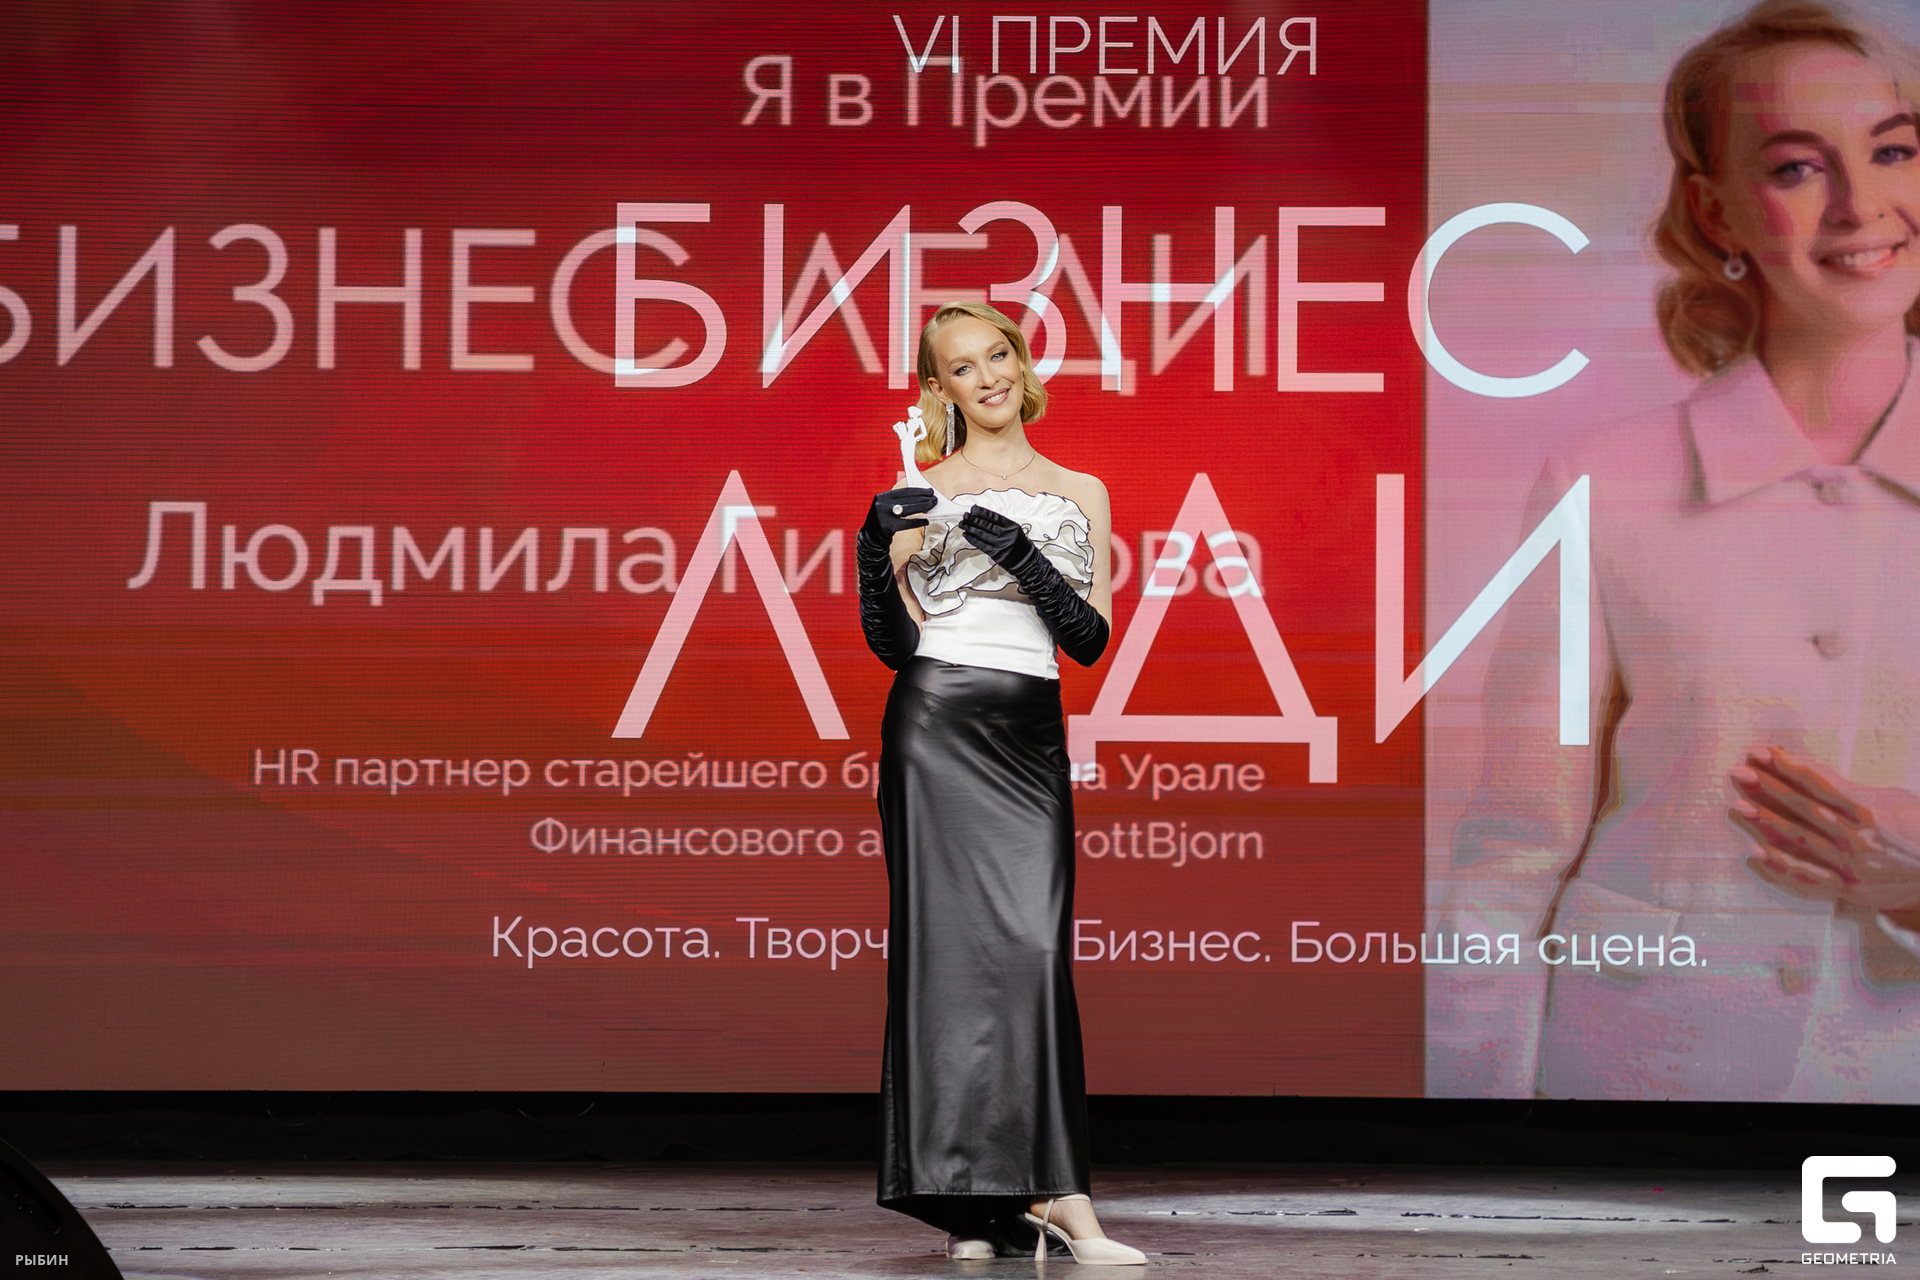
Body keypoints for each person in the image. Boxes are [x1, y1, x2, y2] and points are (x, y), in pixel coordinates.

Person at [1433, 0, 1920, 1102]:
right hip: (1642, 1081)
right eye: (1797, 168)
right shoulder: (1605, 482)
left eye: (1893, 151)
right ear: (1715, 212)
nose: (1861, 205)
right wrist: (1481, 1143)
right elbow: (1511, 854)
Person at [855, 301, 1146, 1263]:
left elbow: (1090, 640)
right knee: (945, 965)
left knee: (1031, 953)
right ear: (938, 389)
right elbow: (892, 642)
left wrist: (1021, 553)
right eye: (962, 367)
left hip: (1028, 735)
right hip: (936, 723)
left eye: (998, 355)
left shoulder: (1081, 488)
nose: (986, 377)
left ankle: (1043, 1193)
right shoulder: (920, 489)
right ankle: (978, 1204)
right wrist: (873, 551)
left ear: (1021, 364)